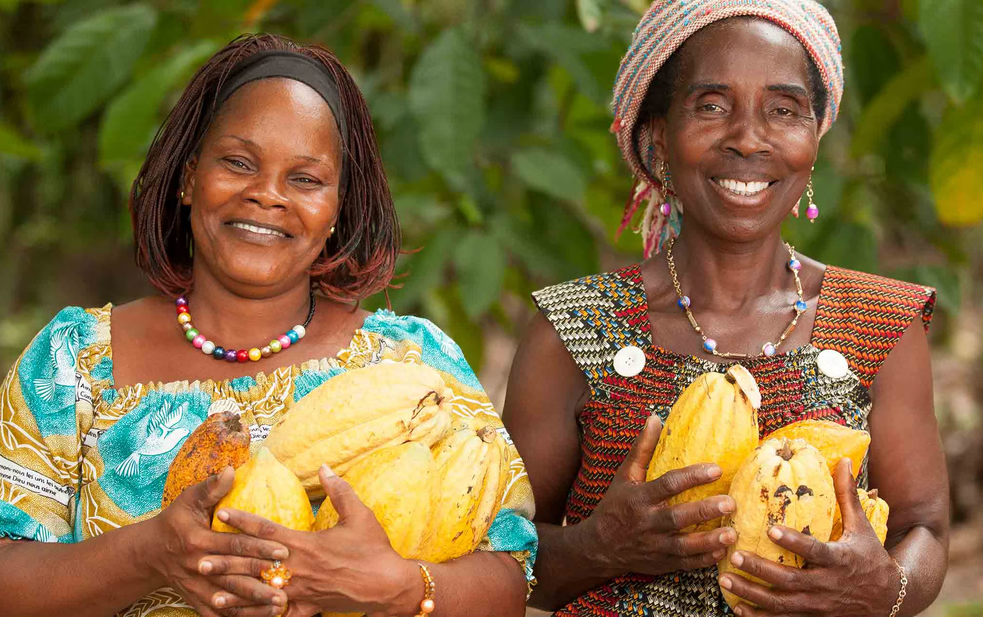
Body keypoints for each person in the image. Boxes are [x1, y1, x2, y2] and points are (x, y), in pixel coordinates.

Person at [0, 34, 536, 617]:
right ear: (188, 177)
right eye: (238, 163)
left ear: (336, 209)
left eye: (305, 179)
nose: (267, 196)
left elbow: (512, 574)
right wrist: (151, 555)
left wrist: (401, 587)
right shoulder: (72, 361)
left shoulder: (412, 362)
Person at [502, 1, 948, 616]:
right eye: (711, 106)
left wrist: (884, 590)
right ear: (658, 132)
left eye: (783, 110)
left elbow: (925, 530)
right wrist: (597, 547)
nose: (747, 138)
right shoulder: (572, 329)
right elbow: (497, 559)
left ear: (815, 135)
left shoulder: (881, 323)